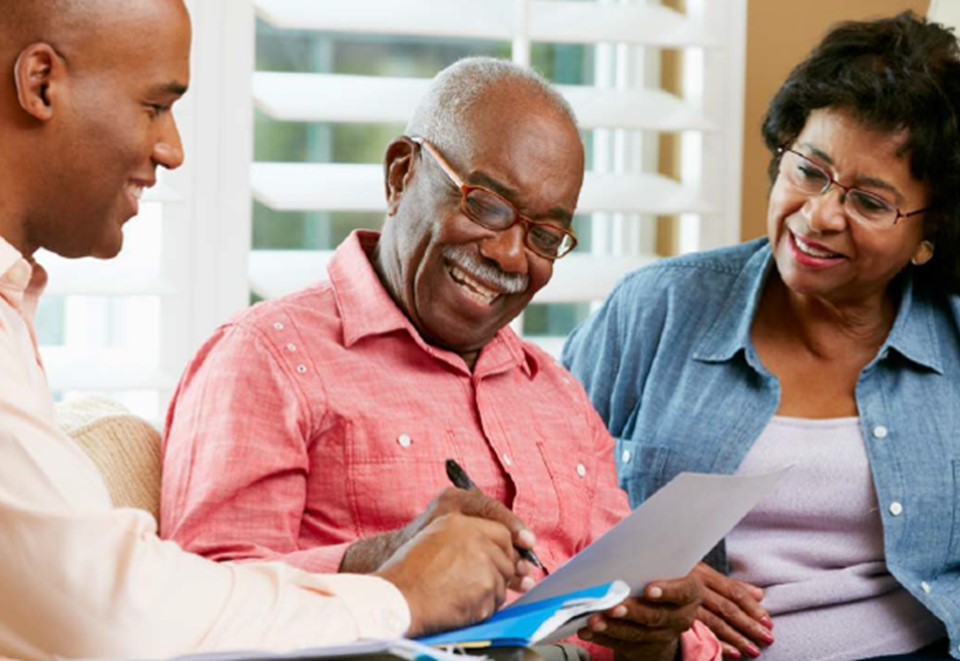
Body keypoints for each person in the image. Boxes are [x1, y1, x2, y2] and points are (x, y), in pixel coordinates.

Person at [0, 1, 539, 658]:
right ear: (41, 83)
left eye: (546, 234)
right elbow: (111, 614)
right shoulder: (268, 355)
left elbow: (124, 585)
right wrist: (399, 596)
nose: (172, 149)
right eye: (153, 106)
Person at [161, 57, 720, 661]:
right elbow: (205, 607)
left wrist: (659, 636)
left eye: (544, 236)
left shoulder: (557, 392)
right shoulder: (268, 358)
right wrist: (383, 564)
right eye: (486, 205)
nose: (510, 256)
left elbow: (633, 614)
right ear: (401, 174)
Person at [563, 12, 960, 661]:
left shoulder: (953, 337)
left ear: (929, 230)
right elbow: (536, 492)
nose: (820, 215)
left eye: (869, 202)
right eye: (809, 170)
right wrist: (641, 577)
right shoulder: (657, 308)